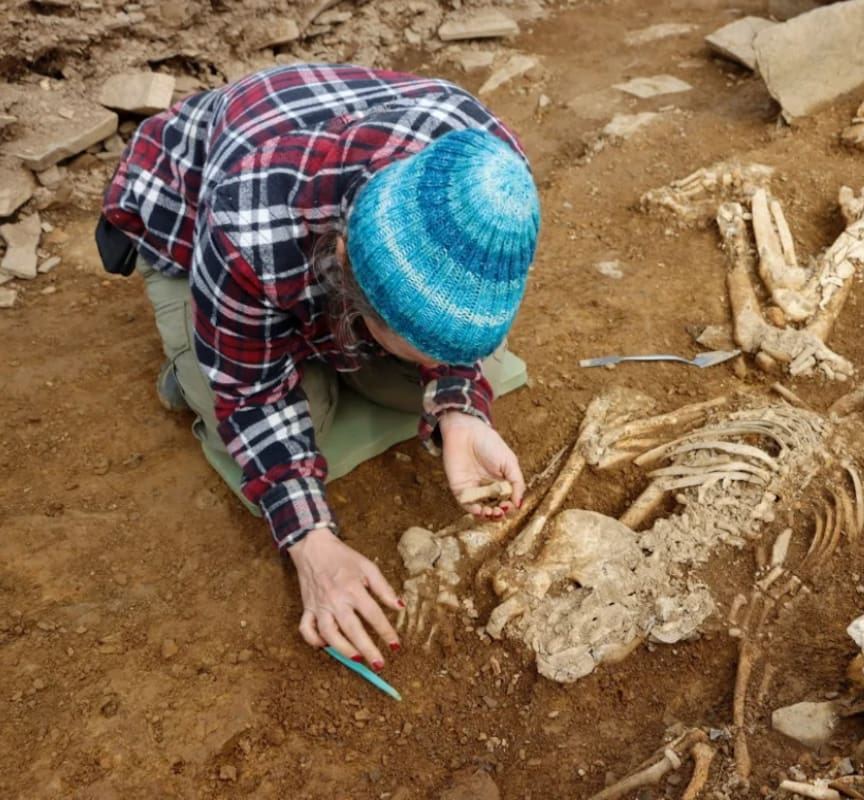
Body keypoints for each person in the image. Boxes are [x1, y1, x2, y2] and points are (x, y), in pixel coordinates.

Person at [97, 63, 540, 672]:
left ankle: (321, 348)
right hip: (188, 209)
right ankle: (193, 358)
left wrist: (458, 405)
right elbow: (252, 399)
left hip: (318, 210)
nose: (447, 363)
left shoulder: (492, 181)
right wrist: (312, 543)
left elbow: (459, 339)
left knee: (418, 391)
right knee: (289, 416)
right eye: (415, 341)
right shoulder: (246, 218)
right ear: (342, 261)